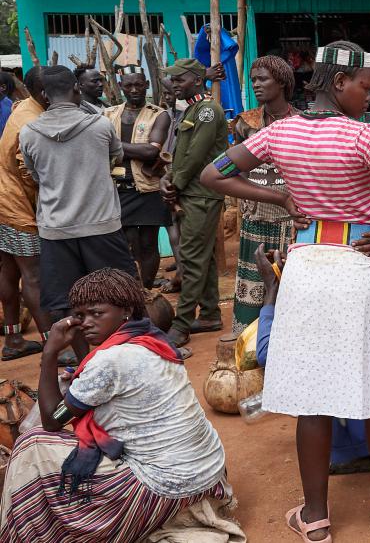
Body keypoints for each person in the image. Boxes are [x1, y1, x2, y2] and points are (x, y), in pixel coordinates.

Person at [199, 39, 370, 540]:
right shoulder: (366, 137)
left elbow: (212, 174)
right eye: (366, 87)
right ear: (339, 83)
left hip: (306, 265)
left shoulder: (278, 133)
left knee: (314, 395)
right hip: (362, 264)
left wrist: (278, 194)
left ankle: (315, 516)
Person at [0, 269, 228, 542]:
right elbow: (104, 376)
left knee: (32, 443)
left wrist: (49, 353)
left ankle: (21, 532)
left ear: (126, 311)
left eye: (97, 313)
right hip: (209, 473)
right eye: (81, 316)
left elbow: (51, 421)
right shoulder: (153, 339)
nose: (86, 323)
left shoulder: (109, 361)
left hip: (165, 486)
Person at [251, 245, 370, 474]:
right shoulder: (362, 277)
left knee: (311, 384)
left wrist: (272, 291)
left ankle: (355, 452)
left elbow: (267, 355)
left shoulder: (313, 306)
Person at [18, 66, 137, 361]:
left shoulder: (29, 133)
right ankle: (129, 355)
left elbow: (33, 174)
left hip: (56, 230)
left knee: (67, 303)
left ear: (44, 95)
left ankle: (85, 362)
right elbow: (117, 156)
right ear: (76, 89)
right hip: (102, 225)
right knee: (123, 293)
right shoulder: (100, 125)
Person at [160, 58, 228, 347]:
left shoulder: (208, 111)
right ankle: (210, 313)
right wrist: (170, 178)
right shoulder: (194, 109)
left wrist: (175, 182)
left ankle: (182, 323)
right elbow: (182, 154)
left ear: (197, 80)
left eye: (179, 79)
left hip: (201, 194)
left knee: (190, 258)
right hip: (193, 193)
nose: (174, 84)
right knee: (203, 256)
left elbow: (196, 156)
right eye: (172, 80)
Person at [230, 55, 299, 334]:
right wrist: (249, 193)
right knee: (254, 273)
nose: (256, 85)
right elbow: (234, 165)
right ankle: (249, 333)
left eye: (263, 79)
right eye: (253, 80)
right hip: (256, 211)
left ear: (281, 82)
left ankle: (286, 335)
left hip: (290, 213)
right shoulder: (245, 122)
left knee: (287, 274)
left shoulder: (301, 122)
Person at [104, 67, 172, 289]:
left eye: (138, 84)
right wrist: (138, 149)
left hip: (148, 188)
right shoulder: (108, 114)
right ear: (120, 86)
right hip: (117, 188)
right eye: (128, 85)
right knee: (126, 243)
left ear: (146, 85)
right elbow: (142, 150)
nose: (134, 89)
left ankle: (147, 290)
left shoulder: (158, 114)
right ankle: (130, 291)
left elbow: (152, 152)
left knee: (148, 244)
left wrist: (112, 146)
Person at [0, 67, 50, 361]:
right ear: (45, 93)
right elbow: (28, 171)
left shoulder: (23, 109)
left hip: (5, 199)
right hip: (16, 205)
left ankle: (14, 338)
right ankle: (50, 339)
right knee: (33, 275)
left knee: (10, 269)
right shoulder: (32, 119)